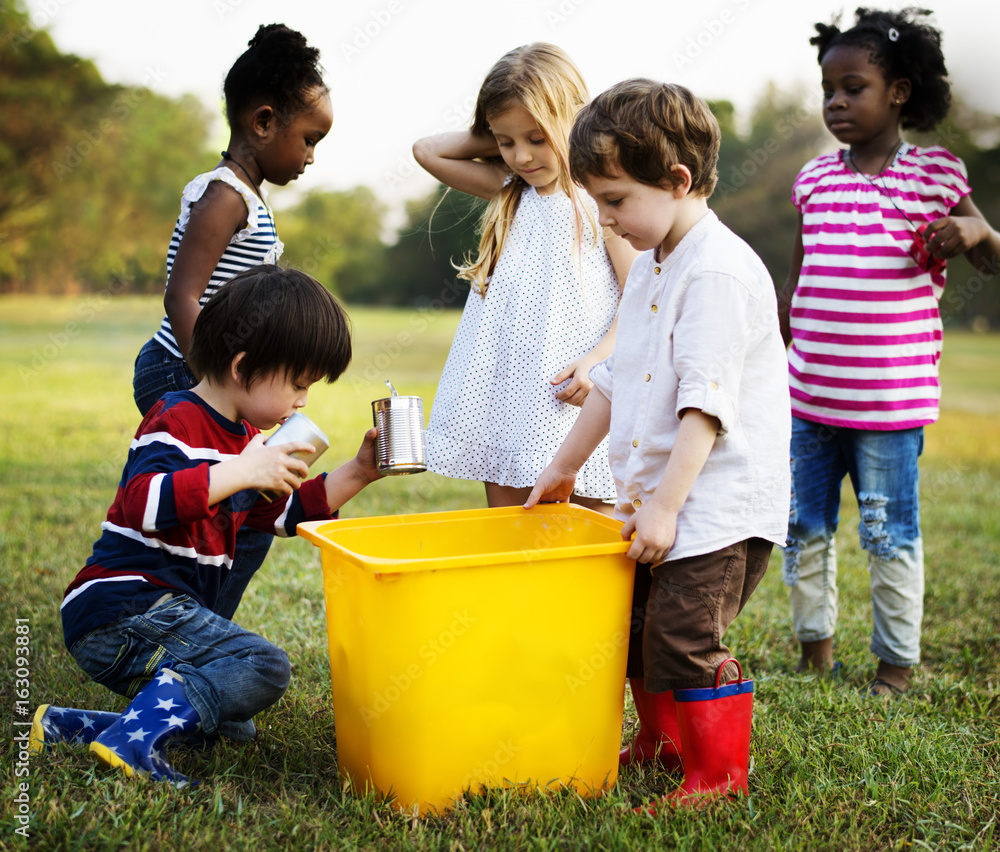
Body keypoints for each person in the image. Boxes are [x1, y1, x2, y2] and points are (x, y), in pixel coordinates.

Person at [525, 79, 790, 809]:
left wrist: (667, 508)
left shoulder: (715, 273)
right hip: (654, 504)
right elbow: (612, 381)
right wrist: (563, 465)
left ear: (676, 180)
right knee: (638, 629)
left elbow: (705, 406)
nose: (605, 218)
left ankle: (718, 775)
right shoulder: (650, 265)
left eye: (614, 200)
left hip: (713, 509)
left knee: (682, 636)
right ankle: (660, 741)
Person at [33, 266, 381, 786]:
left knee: (231, 726)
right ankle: (132, 743)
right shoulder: (175, 418)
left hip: (157, 618)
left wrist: (359, 471)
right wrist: (240, 469)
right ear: (243, 367)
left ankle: (71, 726)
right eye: (298, 384)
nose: (303, 401)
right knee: (263, 666)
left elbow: (283, 513)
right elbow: (142, 504)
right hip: (120, 610)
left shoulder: (244, 442)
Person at [777, 8, 1000, 696]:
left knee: (888, 536)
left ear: (898, 91)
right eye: (828, 91)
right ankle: (816, 656)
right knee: (803, 531)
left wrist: (970, 234)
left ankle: (894, 670)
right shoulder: (814, 179)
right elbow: (798, 282)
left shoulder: (934, 173)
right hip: (809, 400)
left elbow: (991, 254)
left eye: (854, 87)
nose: (836, 102)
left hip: (888, 409)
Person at [132, 23, 334, 622]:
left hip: (219, 372)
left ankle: (201, 627)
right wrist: (213, 388)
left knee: (242, 505)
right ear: (264, 122)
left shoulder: (245, 195)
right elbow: (182, 296)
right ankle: (193, 629)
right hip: (185, 368)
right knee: (231, 505)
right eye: (308, 138)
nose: (311, 156)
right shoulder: (226, 197)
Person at [412, 43, 636, 515]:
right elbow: (426, 151)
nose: (521, 156)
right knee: (514, 522)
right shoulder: (510, 190)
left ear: (571, 119)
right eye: (506, 141)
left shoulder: (600, 196)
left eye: (537, 137)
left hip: (577, 384)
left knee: (590, 518)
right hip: (507, 386)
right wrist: (497, 133)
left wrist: (599, 359)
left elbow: (640, 289)